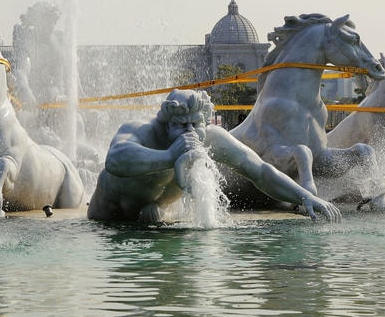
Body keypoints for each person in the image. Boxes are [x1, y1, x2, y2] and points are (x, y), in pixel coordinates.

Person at [87, 88, 341, 223]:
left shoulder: (210, 137)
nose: (189, 132)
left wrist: (304, 196)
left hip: (150, 220)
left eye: (194, 125)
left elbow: (261, 172)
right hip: (107, 215)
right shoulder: (142, 130)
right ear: (165, 123)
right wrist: (169, 156)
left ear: (204, 122)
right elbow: (115, 160)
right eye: (180, 126)